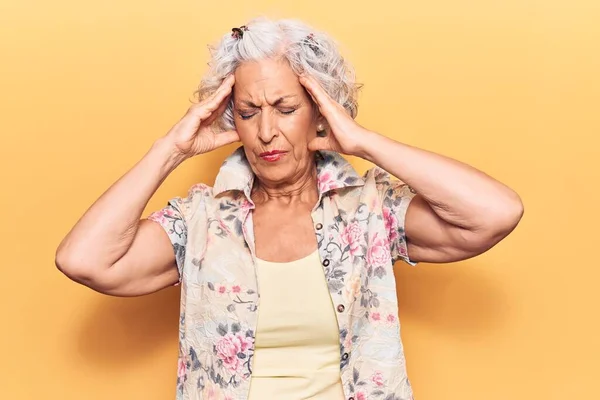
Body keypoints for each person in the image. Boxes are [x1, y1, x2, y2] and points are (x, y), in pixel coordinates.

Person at [55, 17, 524, 400]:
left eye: (285, 107)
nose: (265, 132)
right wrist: (169, 151)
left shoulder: (368, 211)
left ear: (320, 110)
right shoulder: (200, 222)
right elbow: (83, 260)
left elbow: (495, 214)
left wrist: (365, 143)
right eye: (248, 111)